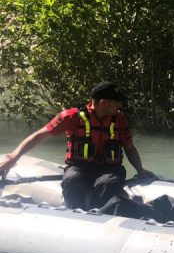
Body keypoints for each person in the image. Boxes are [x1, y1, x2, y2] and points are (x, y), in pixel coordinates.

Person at [0, 81, 154, 209]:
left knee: (107, 183)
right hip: (80, 166)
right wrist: (14, 157)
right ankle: (75, 213)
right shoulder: (72, 116)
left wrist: (140, 170)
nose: (120, 106)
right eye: (117, 102)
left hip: (110, 169)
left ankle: (98, 215)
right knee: (71, 180)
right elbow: (40, 135)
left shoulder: (119, 119)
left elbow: (129, 147)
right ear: (103, 102)